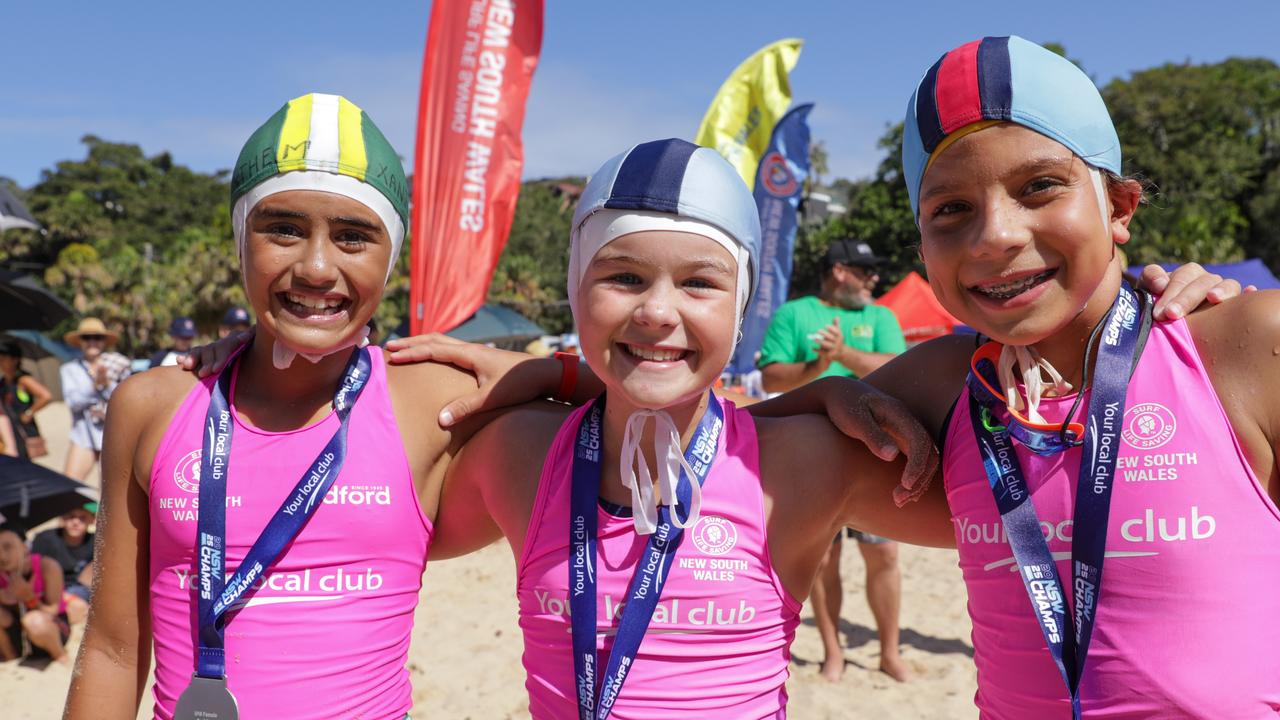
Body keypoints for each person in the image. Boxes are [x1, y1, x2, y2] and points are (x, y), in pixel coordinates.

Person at [62, 95, 926, 720]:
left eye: (354, 235)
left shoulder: (428, 399)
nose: (318, 267)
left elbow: (653, 392)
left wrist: (810, 396)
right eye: (282, 228)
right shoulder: (156, 403)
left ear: (390, 257)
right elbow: (108, 647)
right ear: (239, 238)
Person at [751, 35, 1279, 717]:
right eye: (951, 211)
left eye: (1038, 187)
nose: (995, 235)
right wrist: (829, 392)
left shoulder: (1239, 347)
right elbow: (712, 448)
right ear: (923, 249)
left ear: (1118, 207)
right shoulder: (946, 384)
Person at [758, 238, 909, 682]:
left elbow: (897, 368)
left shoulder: (880, 316)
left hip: (877, 454)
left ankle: (890, 651)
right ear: (839, 271)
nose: (874, 279)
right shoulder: (794, 314)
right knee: (823, 561)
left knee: (883, 557)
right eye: (865, 271)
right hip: (809, 457)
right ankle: (833, 650)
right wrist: (815, 365)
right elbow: (771, 376)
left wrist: (842, 356)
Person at [59, 318, 131, 481]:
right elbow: (73, 403)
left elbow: (125, 400)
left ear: (104, 341)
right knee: (69, 488)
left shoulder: (118, 364)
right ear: (80, 341)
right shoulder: (69, 369)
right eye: (87, 337)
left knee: (109, 496)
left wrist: (107, 384)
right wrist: (94, 386)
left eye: (97, 338)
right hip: (84, 435)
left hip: (113, 435)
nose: (92, 342)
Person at [0, 522, 70, 664]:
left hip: (51, 628)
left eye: (8, 547)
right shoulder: (3, 574)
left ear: (25, 547)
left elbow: (53, 611)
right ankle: (10, 657)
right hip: (18, 635)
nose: (1, 555)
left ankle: (59, 655)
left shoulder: (47, 566)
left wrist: (29, 597)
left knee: (34, 621)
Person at [31, 502, 96, 625]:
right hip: (47, 589)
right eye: (71, 516)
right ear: (62, 517)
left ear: (92, 519)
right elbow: (34, 571)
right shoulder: (45, 538)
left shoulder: (97, 542)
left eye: (82, 518)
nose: (76, 522)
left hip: (80, 590)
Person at [0, 339, 53, 461]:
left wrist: (29, 412)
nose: (1, 361)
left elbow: (46, 396)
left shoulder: (23, 380)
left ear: (15, 360)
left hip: (23, 430)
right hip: (10, 430)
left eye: (4, 358)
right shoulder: (3, 382)